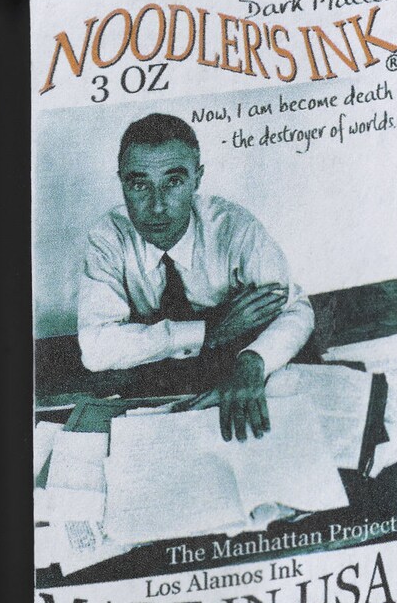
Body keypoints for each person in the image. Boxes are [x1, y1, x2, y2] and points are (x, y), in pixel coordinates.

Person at [77, 112, 314, 440]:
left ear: (197, 179)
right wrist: (211, 331)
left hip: (234, 364)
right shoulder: (108, 238)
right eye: (139, 184)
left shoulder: (234, 228)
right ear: (122, 182)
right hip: (158, 379)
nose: (157, 206)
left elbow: (296, 309)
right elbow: (96, 348)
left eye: (173, 182)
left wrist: (254, 361)